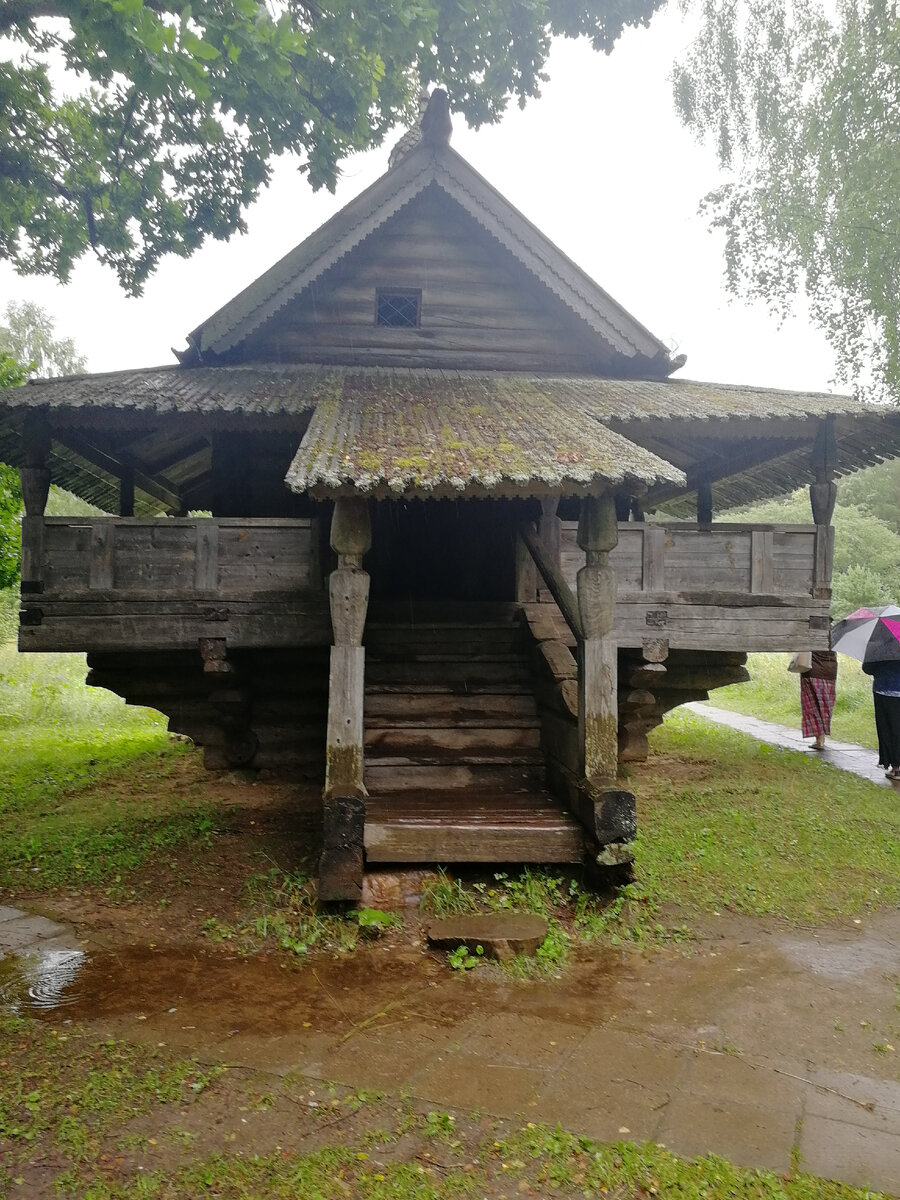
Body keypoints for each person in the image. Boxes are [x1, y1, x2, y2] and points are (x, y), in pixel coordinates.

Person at [862, 659, 900, 778]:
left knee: (887, 728)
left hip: (883, 689)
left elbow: (867, 668)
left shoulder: (878, 643)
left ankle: (895, 766)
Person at [799, 650, 838, 750]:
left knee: (812, 706)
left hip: (812, 670)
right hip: (830, 671)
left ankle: (819, 739)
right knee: (825, 706)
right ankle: (822, 737)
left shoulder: (811, 635)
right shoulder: (834, 636)